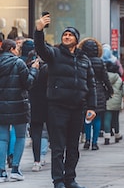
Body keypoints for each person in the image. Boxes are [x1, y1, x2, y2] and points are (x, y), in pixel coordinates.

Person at [34, 14, 97, 188]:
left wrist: (92, 106)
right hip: (57, 108)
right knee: (58, 147)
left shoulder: (84, 59)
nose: (66, 37)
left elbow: (91, 84)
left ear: (76, 39)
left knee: (73, 148)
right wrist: (39, 30)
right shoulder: (54, 54)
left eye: (70, 35)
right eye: (64, 35)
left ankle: (70, 179)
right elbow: (40, 48)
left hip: (77, 108)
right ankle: (58, 181)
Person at [0, 39, 39, 182]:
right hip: (19, 106)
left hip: (1, 106)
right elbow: (28, 83)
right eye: (16, 48)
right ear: (11, 49)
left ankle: (1, 172)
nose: (18, 51)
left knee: (2, 138)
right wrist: (34, 70)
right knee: (20, 136)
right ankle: (15, 169)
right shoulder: (18, 63)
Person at [79, 38, 112, 151]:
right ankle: (95, 142)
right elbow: (105, 78)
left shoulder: (81, 60)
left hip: (85, 90)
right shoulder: (100, 61)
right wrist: (110, 90)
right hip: (99, 91)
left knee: (87, 118)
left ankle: (87, 140)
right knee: (97, 118)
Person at [25, 42, 49, 172]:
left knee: (36, 134)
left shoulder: (28, 68)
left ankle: (37, 160)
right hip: (50, 104)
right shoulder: (50, 68)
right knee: (52, 134)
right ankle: (45, 157)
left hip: (34, 104)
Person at [103, 55, 124, 145]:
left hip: (107, 101)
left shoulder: (104, 78)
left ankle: (107, 137)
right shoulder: (119, 79)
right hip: (117, 102)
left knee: (107, 119)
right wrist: (121, 96)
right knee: (115, 119)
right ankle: (117, 135)